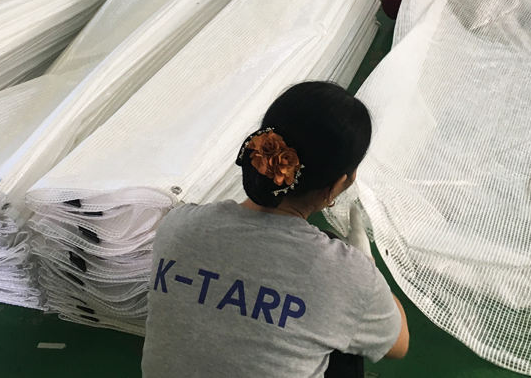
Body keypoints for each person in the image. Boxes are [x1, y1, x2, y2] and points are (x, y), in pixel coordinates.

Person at [141, 81, 409, 378]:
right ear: (337, 185)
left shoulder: (177, 224)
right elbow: (398, 344)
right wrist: (366, 265)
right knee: (346, 346)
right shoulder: (346, 274)